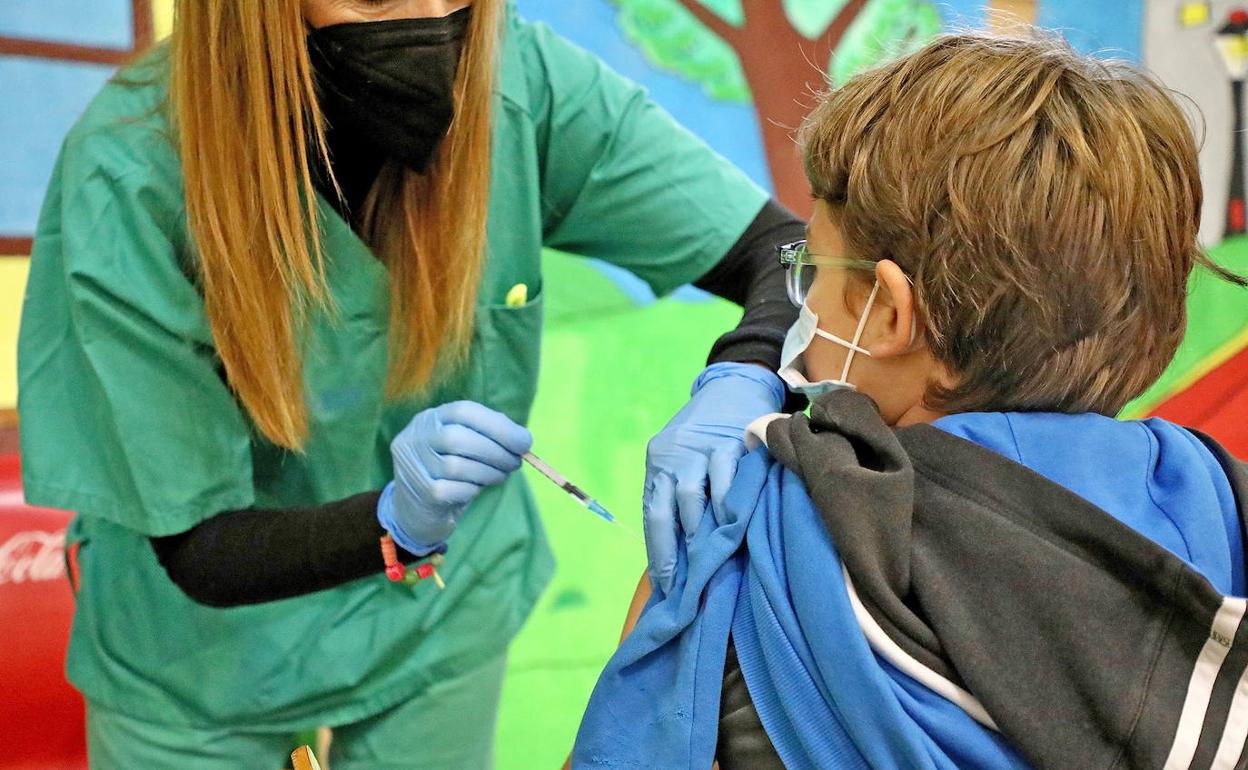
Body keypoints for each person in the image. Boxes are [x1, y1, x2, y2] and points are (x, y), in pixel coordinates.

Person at [16, 0, 802, 766]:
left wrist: (744, 373)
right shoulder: (131, 167)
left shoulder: (519, 82)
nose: (434, 20)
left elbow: (787, 253)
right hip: (201, 655)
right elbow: (199, 544)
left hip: (440, 613)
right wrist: (392, 523)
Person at [573, 32, 1248, 769]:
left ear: (889, 316)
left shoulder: (741, 541)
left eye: (814, 270)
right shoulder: (1221, 506)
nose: (801, 304)